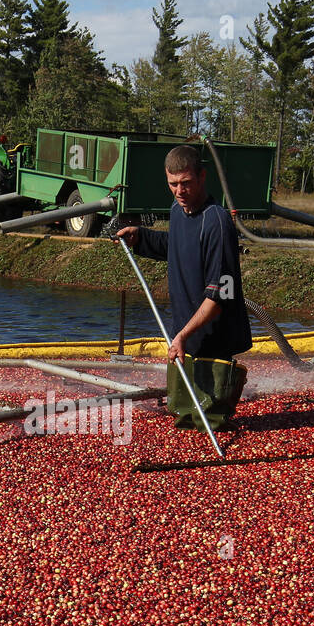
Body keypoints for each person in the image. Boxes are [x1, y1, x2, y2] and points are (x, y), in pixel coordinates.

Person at [113, 144, 252, 430]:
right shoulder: (177, 211)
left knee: (211, 417)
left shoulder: (217, 223)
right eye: (173, 184)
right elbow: (175, 246)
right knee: (186, 413)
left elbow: (221, 295)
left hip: (214, 334)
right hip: (187, 332)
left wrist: (182, 336)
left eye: (186, 183)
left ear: (202, 177)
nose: (179, 191)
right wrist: (141, 238)